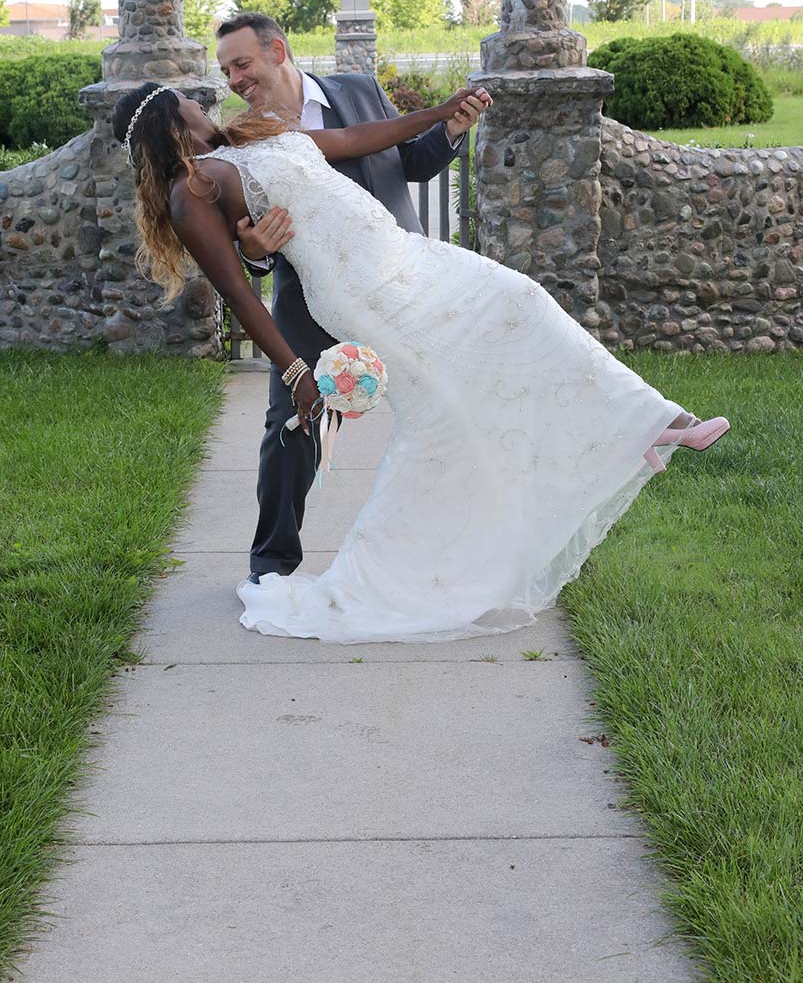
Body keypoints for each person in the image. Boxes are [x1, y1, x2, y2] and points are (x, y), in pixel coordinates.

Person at [111, 75, 730, 645]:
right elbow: (240, 294)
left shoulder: (253, 134)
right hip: (361, 291)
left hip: (408, 257)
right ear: (171, 116)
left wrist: (437, 114)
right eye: (186, 98)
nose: (202, 98)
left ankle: (637, 424)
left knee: (521, 301)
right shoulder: (194, 192)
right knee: (441, 414)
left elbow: (355, 138)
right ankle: (387, 580)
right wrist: (297, 371)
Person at [216, 13, 481, 585]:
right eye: (227, 72)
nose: (235, 80)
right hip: (308, 298)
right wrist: (256, 252)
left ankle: (459, 552)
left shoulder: (358, 92)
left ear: (278, 51)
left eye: (242, 65)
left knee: (449, 403)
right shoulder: (245, 133)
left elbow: (410, 162)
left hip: (396, 284)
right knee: (290, 426)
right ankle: (273, 567)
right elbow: (246, 238)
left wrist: (451, 131)